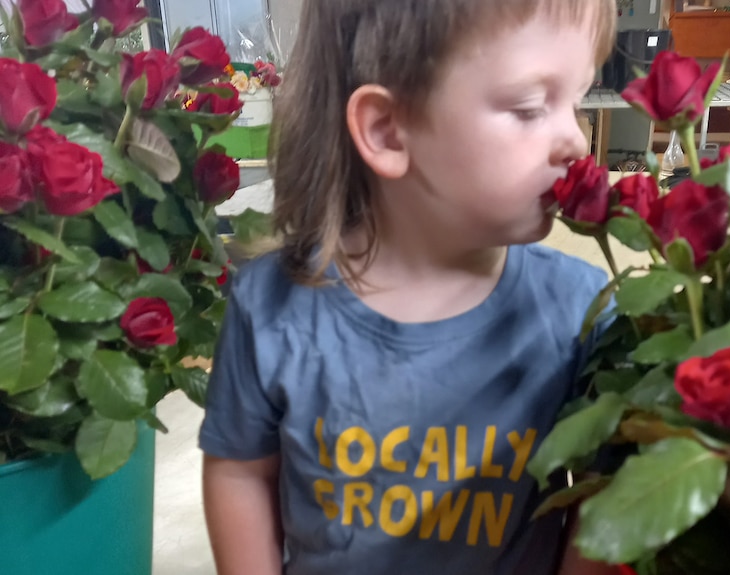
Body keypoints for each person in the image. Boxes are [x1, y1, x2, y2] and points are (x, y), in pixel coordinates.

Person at [199, 1, 620, 574]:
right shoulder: (270, 308)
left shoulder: (585, 312)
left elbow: (601, 498)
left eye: (577, 101)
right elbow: (241, 471)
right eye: (528, 107)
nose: (575, 141)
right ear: (388, 130)